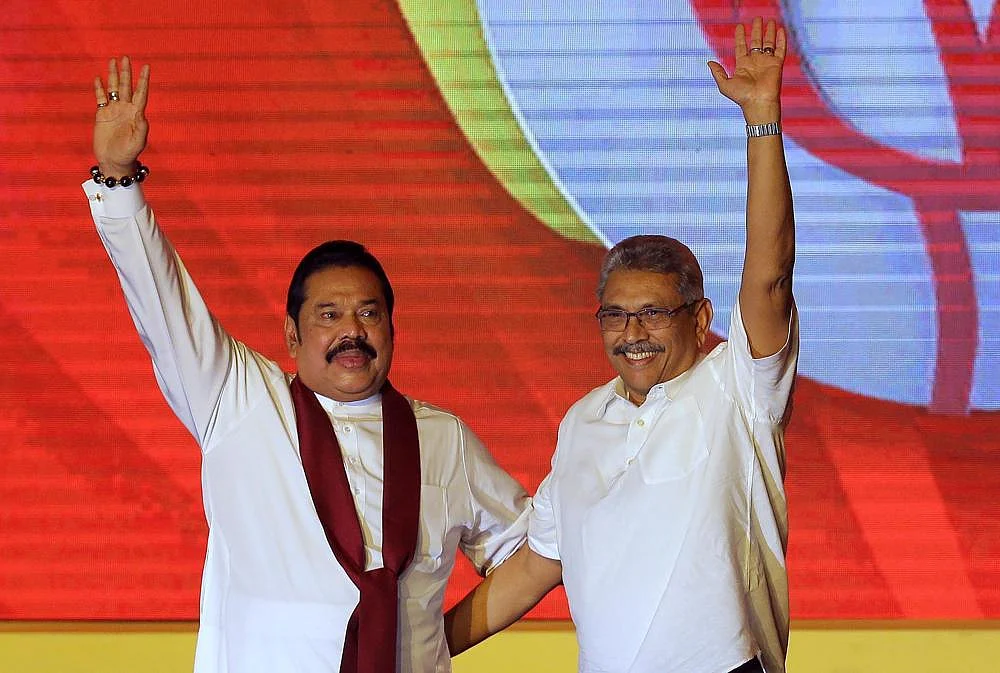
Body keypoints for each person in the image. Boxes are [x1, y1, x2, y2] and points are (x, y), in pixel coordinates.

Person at [84, 57, 532, 673]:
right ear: (292, 335)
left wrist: (430, 641)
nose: (352, 330)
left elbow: (531, 554)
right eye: (329, 315)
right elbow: (163, 306)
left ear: (393, 329)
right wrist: (119, 178)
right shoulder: (237, 400)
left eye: (369, 314)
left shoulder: (443, 438)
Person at [445, 17, 798, 673]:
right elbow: (535, 566)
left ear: (701, 320)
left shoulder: (739, 389)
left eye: (653, 313)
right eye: (616, 315)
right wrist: (418, 649)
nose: (632, 332)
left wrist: (762, 120)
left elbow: (770, 274)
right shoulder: (583, 421)